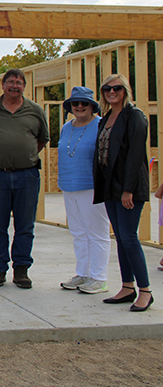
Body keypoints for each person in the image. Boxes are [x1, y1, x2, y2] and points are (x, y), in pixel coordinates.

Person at [0, 68, 49, 289]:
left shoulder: (35, 111)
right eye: (10, 82)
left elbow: (41, 140)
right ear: (3, 85)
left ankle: (21, 269)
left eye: (19, 82)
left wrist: (24, 156)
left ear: (24, 86)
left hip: (27, 175)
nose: (14, 86)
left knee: (25, 225)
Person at [94, 74, 152, 311]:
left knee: (129, 237)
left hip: (129, 187)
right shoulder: (106, 117)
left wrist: (128, 190)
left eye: (117, 88)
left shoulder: (134, 116)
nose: (112, 91)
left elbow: (136, 155)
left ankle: (145, 291)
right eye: (107, 88)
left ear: (125, 90)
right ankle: (127, 287)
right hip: (110, 186)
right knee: (120, 238)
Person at [57, 87, 110, 294]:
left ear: (92, 106)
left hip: (92, 187)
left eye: (84, 104)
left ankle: (99, 278)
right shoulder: (66, 127)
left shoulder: (100, 125)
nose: (79, 107)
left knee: (97, 233)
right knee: (78, 232)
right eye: (75, 103)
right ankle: (83, 273)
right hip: (69, 186)